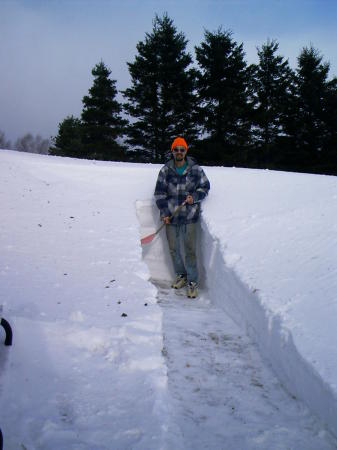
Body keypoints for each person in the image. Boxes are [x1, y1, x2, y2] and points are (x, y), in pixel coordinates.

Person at [154, 137, 210, 298]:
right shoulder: (165, 170)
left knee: (190, 250)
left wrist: (195, 197)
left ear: (186, 151)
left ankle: (192, 282)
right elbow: (159, 193)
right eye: (176, 149)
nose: (179, 152)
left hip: (190, 217)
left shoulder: (196, 169)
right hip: (171, 217)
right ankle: (181, 276)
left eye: (182, 149)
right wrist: (164, 213)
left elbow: (205, 187)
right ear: (172, 151)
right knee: (173, 249)